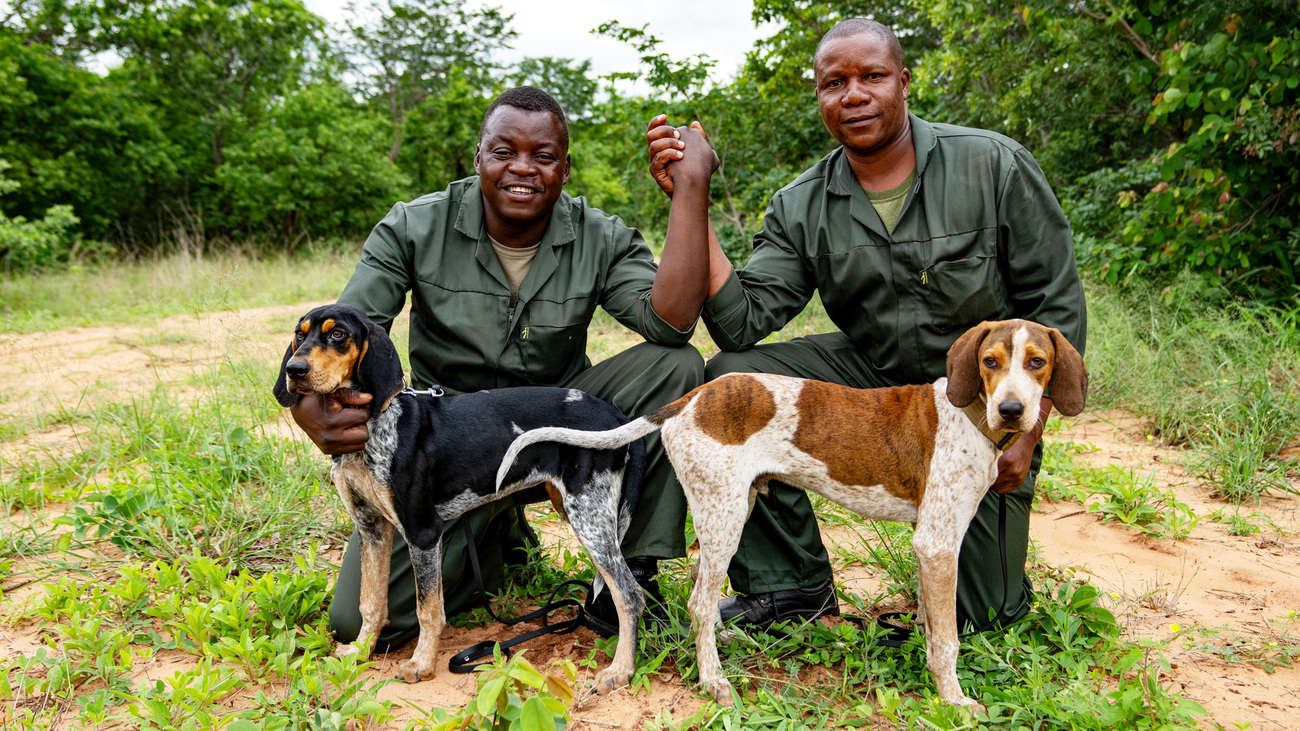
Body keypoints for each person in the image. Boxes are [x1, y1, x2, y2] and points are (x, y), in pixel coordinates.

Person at [646, 19, 1087, 632]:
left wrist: (1028, 433)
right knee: (736, 375)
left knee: (984, 615)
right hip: (874, 383)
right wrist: (689, 197)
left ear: (904, 82)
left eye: (872, 77)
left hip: (978, 403)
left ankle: (983, 593)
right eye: (834, 83)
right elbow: (741, 323)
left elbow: (1055, 306)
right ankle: (790, 587)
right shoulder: (801, 203)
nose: (853, 95)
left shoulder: (994, 166)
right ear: (821, 98)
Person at [292, 86, 718, 645]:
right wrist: (308, 410)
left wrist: (689, 192)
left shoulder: (601, 234)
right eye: (503, 152)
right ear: (478, 158)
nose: (523, 168)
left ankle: (626, 575)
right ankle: (492, 536)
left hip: (556, 426)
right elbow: (349, 331)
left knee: (674, 364)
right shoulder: (412, 226)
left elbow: (673, 325)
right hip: (449, 444)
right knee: (361, 623)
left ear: (566, 169)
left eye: (543, 157)